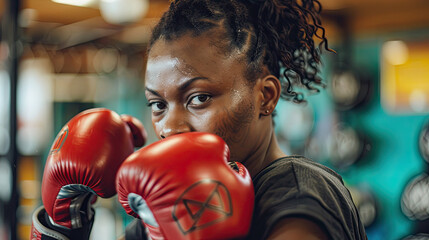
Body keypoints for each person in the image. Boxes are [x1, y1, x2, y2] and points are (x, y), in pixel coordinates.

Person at [31, 0, 368, 239]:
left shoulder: (298, 190)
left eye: (198, 98)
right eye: (158, 104)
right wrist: (61, 226)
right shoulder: (171, 197)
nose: (170, 127)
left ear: (265, 96)